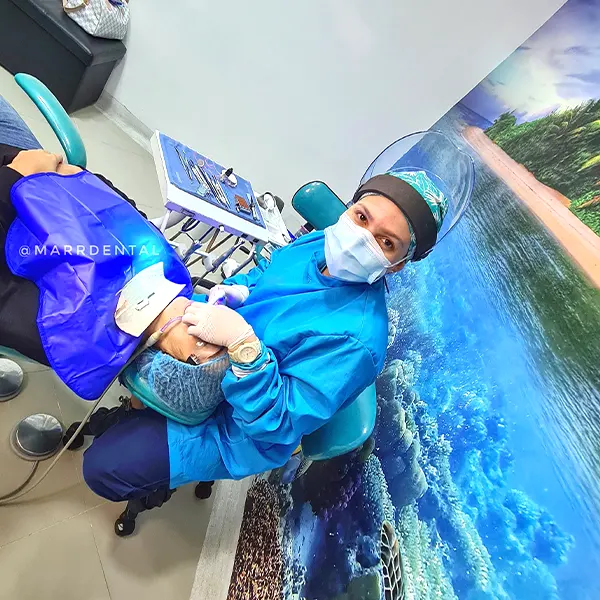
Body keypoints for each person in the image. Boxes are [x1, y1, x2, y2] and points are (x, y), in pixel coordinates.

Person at [82, 164, 459, 504]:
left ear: (396, 265)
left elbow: (276, 423)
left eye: (386, 242)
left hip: (238, 428)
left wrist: (243, 346)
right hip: (217, 349)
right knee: (117, 318)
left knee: (104, 468)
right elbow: (266, 275)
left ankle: (155, 482)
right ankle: (140, 407)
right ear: (350, 208)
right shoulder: (318, 244)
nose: (361, 239)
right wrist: (238, 291)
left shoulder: (357, 341)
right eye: (361, 217)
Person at [0, 96, 228, 424]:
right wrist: (75, 177)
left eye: (209, 346)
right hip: (35, 172)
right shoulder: (171, 275)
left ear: (175, 360)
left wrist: (18, 175)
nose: (213, 324)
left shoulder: (74, 332)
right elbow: (119, 209)